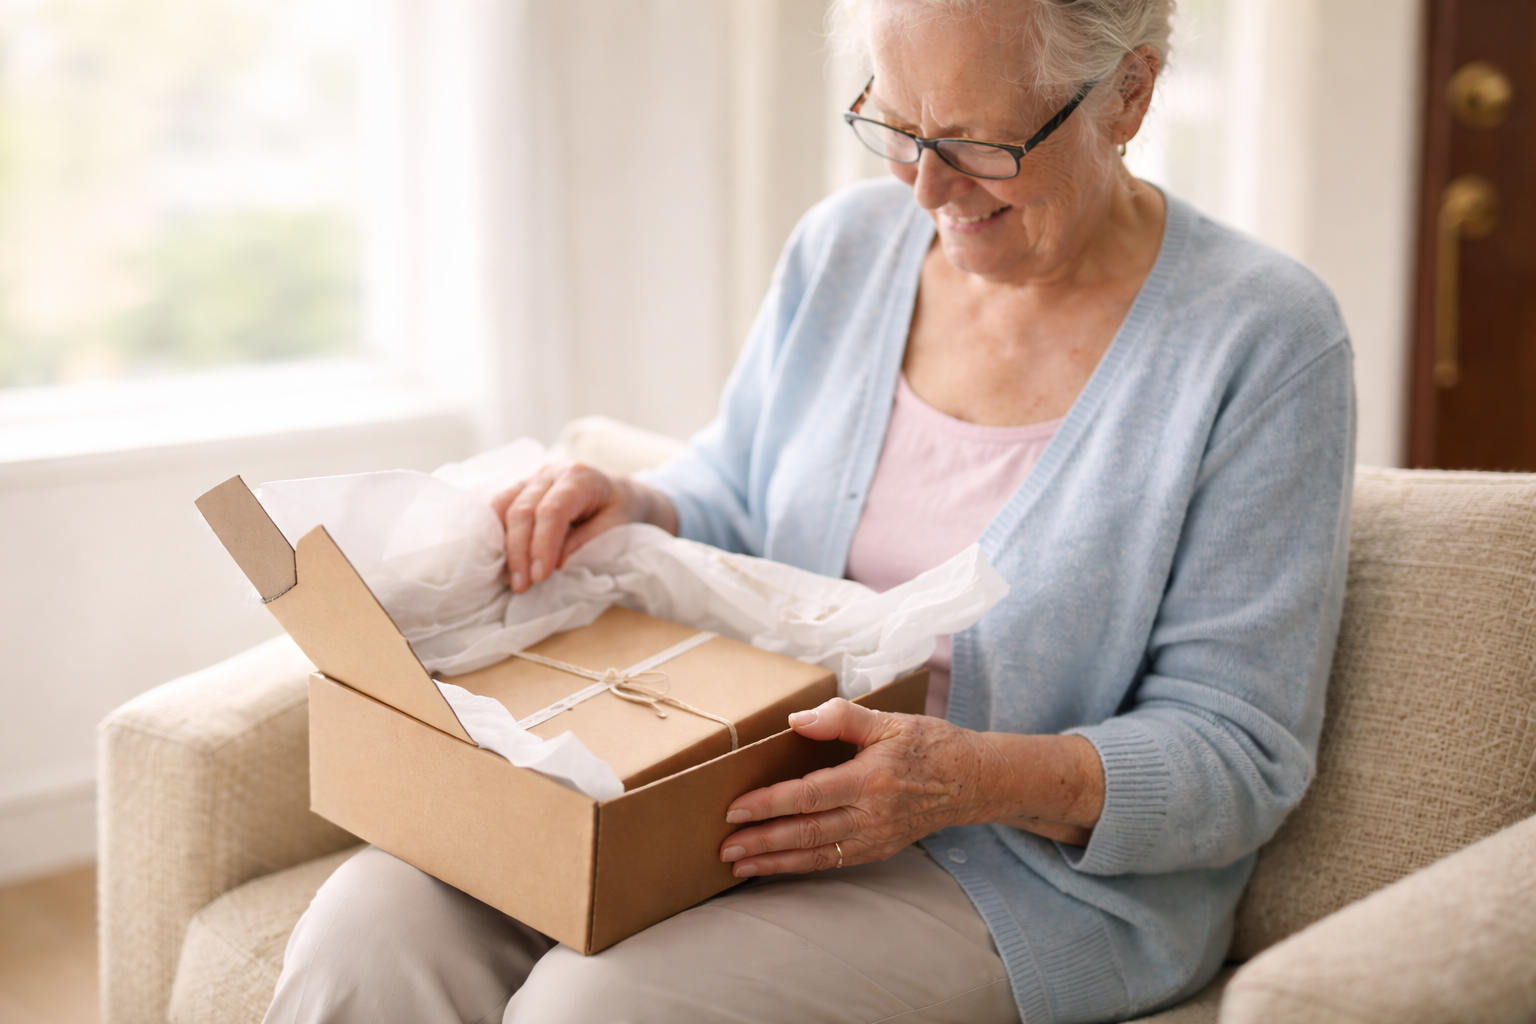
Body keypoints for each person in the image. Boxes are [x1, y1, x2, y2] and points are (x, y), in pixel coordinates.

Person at [264, 0, 1354, 1021]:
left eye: (978, 144)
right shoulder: (845, 247)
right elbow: (737, 493)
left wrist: (958, 778)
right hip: (730, 787)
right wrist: (637, 501)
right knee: (371, 925)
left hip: (1009, 869)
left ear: (1130, 93)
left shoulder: (1263, 340)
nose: (925, 192)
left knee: (594, 1009)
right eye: (893, 126)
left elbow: (1240, 753)